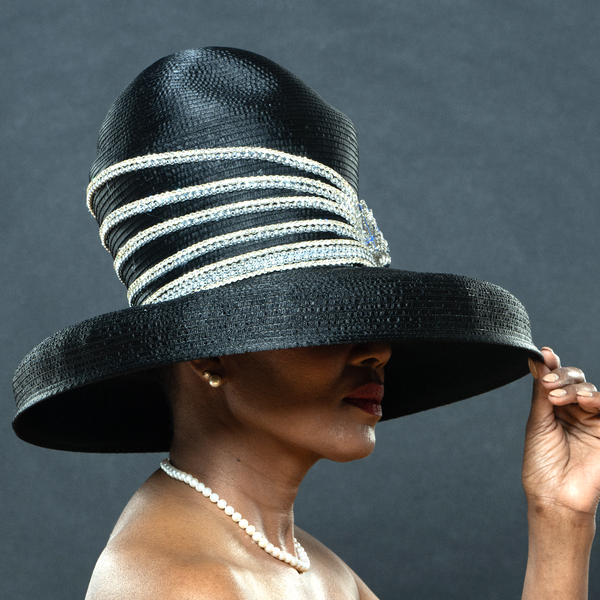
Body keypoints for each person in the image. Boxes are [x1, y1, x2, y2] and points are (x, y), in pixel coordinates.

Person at [12, 48, 599, 599]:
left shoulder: (310, 569)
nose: (379, 352)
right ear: (208, 352)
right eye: (319, 319)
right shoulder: (189, 586)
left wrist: (561, 516)